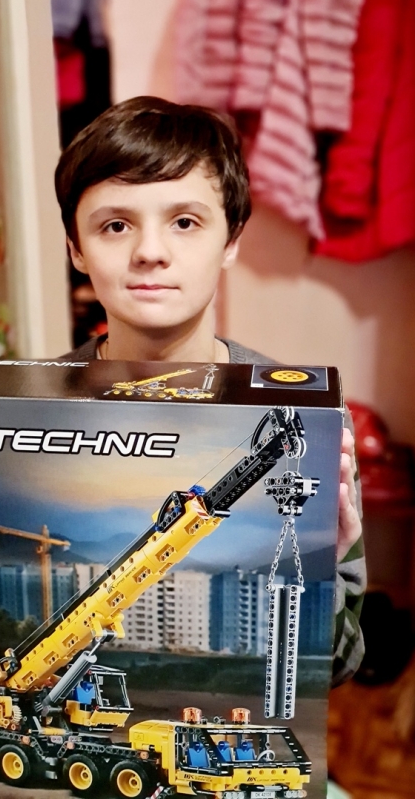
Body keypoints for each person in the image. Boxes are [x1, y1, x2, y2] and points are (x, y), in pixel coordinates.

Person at [55, 96, 366, 685]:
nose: (150, 252)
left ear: (231, 241)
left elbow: (340, 668)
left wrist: (326, 568)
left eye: (185, 222)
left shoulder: (308, 417)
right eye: (115, 225)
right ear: (75, 248)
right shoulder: (37, 402)